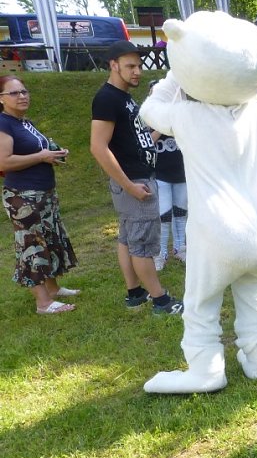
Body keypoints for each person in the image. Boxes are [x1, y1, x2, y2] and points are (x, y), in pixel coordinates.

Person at [90, 40, 183, 315]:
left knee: (128, 239)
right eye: (130, 66)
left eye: (139, 65)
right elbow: (98, 147)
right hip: (135, 182)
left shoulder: (124, 98)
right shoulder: (107, 98)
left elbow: (139, 139)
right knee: (142, 243)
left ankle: (135, 292)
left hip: (138, 178)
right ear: (113, 65)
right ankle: (161, 300)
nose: (137, 72)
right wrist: (129, 185)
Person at [0, 76, 78, 314]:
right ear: (1, 99)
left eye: (24, 91)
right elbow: (4, 161)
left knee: (49, 239)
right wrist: (41, 156)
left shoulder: (23, 122)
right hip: (22, 195)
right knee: (32, 246)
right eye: (14, 93)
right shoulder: (4, 123)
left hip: (43, 193)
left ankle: (53, 290)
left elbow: (40, 149)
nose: (22, 96)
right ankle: (43, 303)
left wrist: (54, 154)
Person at [149, 79, 187, 271]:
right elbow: (148, 141)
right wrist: (163, 125)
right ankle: (160, 252)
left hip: (181, 173)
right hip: (160, 174)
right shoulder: (148, 118)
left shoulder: (181, 115)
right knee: (164, 214)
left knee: (181, 212)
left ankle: (181, 248)